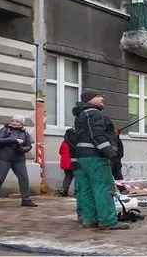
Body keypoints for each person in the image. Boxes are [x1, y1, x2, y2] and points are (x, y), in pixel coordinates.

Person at [72, 90, 130, 230]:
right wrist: (110, 153)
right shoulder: (94, 113)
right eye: (98, 96)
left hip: (83, 157)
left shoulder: (82, 114)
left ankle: (90, 219)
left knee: (86, 190)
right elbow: (96, 135)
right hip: (96, 157)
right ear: (90, 100)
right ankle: (108, 221)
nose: (102, 97)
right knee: (103, 188)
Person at [0, 115, 37, 208]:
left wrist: (22, 149)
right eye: (13, 121)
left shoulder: (25, 133)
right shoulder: (5, 130)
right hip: (3, 158)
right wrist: (14, 140)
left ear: (22, 124)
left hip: (19, 159)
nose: (15, 123)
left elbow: (29, 145)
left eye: (18, 121)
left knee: (24, 179)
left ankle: (26, 200)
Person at [59, 128, 77, 196]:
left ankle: (64, 190)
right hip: (76, 161)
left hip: (67, 162)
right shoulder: (77, 141)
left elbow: (60, 152)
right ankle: (77, 191)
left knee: (68, 177)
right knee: (77, 177)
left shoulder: (64, 142)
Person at [111, 127, 127, 193]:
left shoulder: (118, 141)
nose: (116, 133)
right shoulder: (108, 140)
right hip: (108, 162)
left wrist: (117, 158)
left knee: (119, 176)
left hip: (117, 162)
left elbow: (121, 151)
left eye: (117, 132)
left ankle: (122, 190)